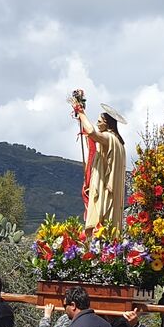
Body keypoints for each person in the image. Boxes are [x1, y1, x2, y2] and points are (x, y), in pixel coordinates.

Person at [72, 99, 128, 231]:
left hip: (105, 187)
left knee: (101, 216)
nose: (97, 124)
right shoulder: (118, 143)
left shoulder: (109, 137)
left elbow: (91, 132)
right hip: (110, 188)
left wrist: (81, 113)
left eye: (99, 121)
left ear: (107, 124)